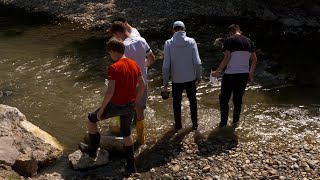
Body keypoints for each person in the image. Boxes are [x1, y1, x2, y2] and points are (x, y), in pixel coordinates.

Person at [78, 38, 145, 175]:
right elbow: (142, 85)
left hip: (116, 105)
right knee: (127, 133)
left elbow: (110, 92)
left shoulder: (113, 67)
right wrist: (135, 102)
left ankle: (92, 152)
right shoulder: (134, 64)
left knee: (91, 119)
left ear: (114, 51)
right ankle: (131, 167)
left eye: (110, 53)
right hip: (130, 105)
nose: (110, 56)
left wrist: (101, 110)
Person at [109, 21, 156, 144]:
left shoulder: (123, 47)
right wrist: (142, 68)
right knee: (140, 110)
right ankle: (141, 140)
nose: (116, 38)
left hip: (129, 84)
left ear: (118, 32)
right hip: (142, 82)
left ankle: (123, 135)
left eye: (115, 35)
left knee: (122, 109)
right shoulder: (141, 40)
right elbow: (152, 58)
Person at [212, 24, 257, 127]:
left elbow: (227, 58)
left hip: (230, 75)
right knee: (238, 100)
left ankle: (223, 124)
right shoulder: (249, 41)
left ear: (230, 32)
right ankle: (235, 123)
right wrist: (250, 74)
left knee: (224, 99)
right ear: (239, 31)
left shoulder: (229, 40)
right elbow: (254, 60)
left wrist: (217, 71)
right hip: (243, 75)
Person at [162, 21, 202, 130]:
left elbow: (166, 66)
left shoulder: (168, 43)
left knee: (176, 104)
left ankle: (178, 125)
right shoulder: (191, 41)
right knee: (193, 102)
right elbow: (197, 62)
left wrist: (165, 82)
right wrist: (199, 77)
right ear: (184, 29)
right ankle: (195, 125)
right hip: (190, 79)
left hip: (176, 80)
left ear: (173, 30)